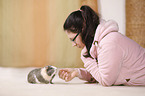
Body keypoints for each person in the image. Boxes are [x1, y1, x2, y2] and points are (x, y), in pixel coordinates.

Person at [58, 5, 145, 86]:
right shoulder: (100, 42)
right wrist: (77, 72)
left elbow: (106, 80)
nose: (73, 44)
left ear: (83, 30)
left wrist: (86, 58)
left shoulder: (108, 43)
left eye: (73, 39)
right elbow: (101, 73)